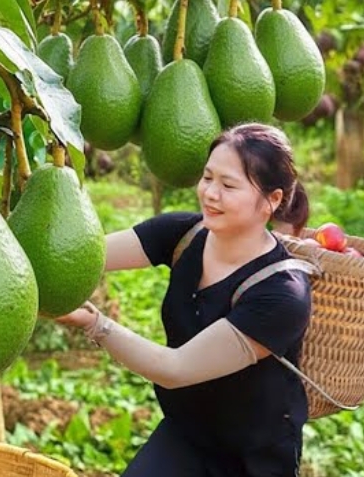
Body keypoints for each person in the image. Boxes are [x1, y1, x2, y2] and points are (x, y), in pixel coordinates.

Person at [56, 123, 313, 477]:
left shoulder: (283, 294)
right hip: (186, 435)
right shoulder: (184, 234)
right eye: (208, 178)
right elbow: (81, 256)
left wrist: (95, 324)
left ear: (273, 200)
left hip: (253, 459)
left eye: (228, 185)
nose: (210, 193)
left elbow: (174, 369)